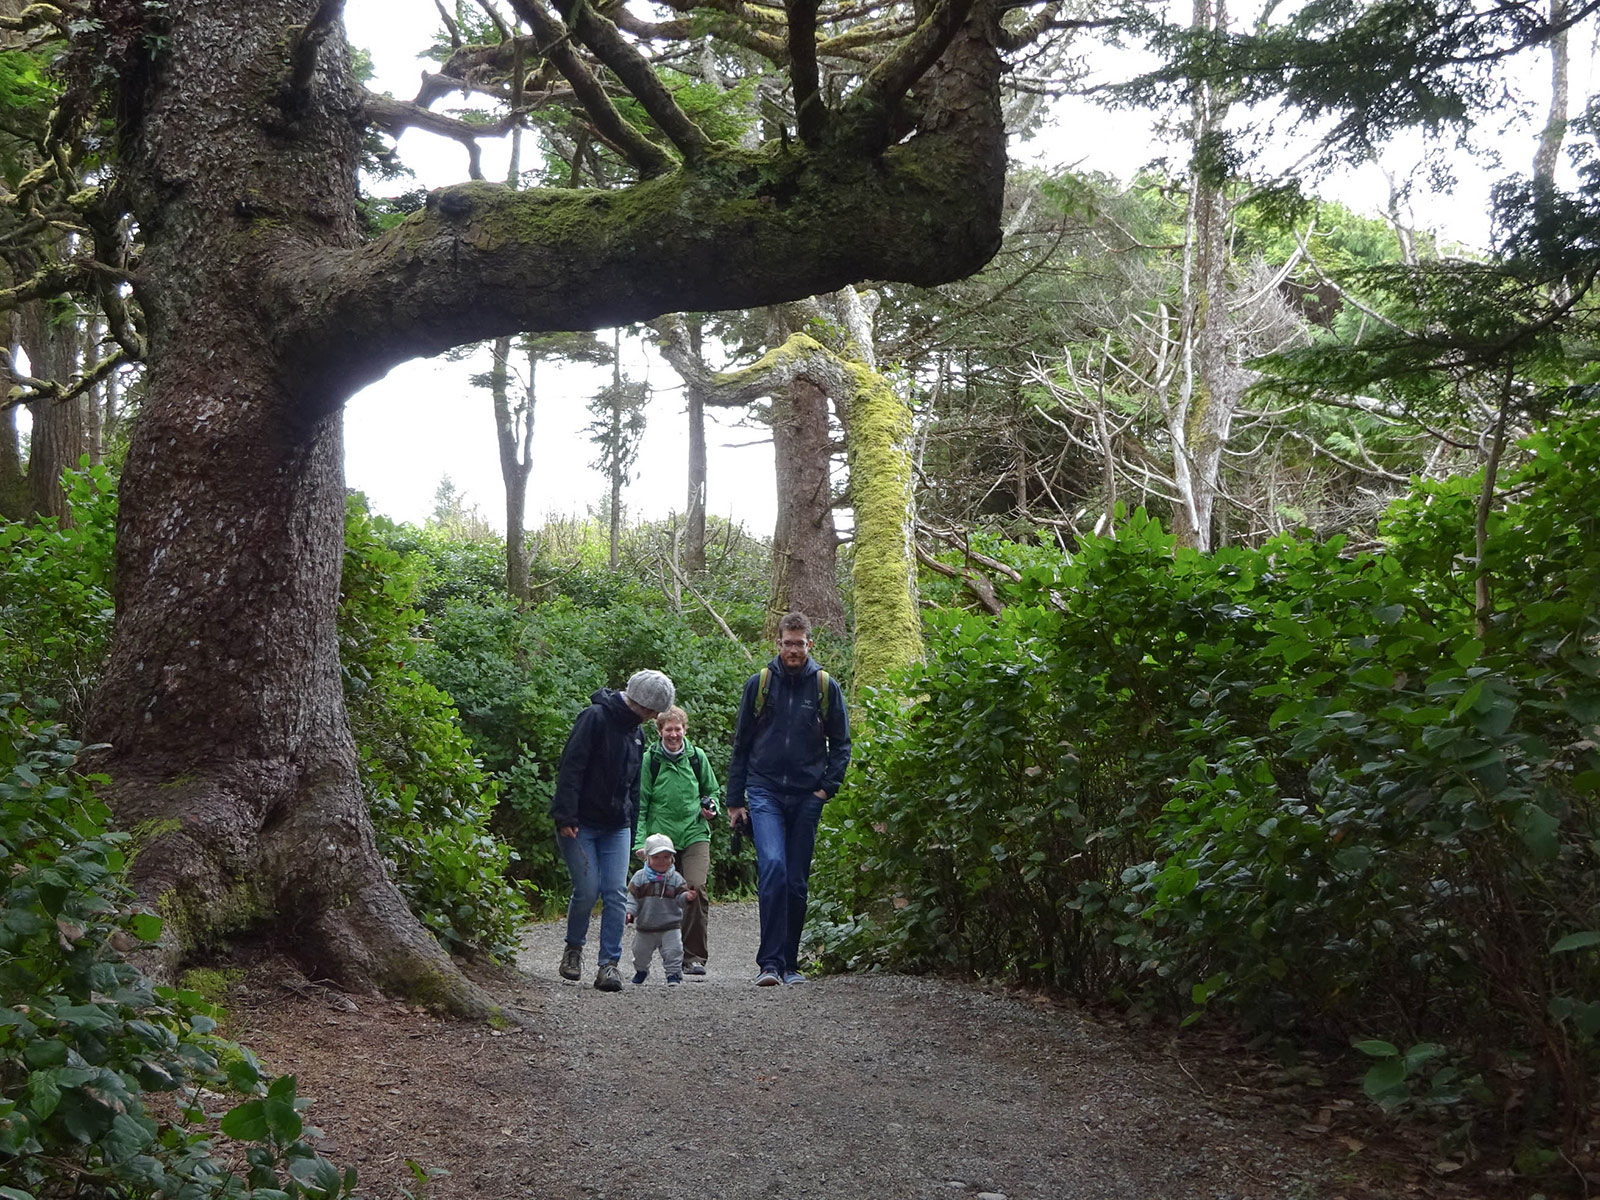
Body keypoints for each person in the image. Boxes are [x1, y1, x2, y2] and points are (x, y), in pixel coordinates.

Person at [725, 612, 851, 986]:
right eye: (787, 642)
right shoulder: (760, 684)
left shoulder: (825, 687)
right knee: (774, 868)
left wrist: (826, 789)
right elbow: (741, 744)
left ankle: (790, 965)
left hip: (807, 795)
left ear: (810, 644)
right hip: (764, 791)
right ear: (777, 643)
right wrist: (735, 800)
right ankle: (769, 964)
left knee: (796, 881)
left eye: (800, 643)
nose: (794, 649)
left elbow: (842, 744)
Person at [551, 668, 675, 992]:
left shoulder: (637, 734)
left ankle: (609, 965)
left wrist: (633, 830)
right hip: (580, 823)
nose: (651, 718)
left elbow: (634, 787)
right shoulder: (594, 718)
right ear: (639, 703)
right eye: (651, 712)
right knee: (588, 889)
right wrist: (565, 816)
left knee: (616, 892)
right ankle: (574, 950)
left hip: (616, 826)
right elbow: (571, 766)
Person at [635, 706, 720, 974]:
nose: (673, 734)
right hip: (661, 838)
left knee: (694, 887)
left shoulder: (697, 757)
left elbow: (712, 790)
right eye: (668, 729)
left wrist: (711, 808)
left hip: (695, 832)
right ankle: (661, 955)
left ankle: (693, 957)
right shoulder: (651, 761)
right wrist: (640, 842)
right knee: (660, 894)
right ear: (659, 731)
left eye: (678, 728)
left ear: (685, 729)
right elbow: (640, 803)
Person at [625, 833, 699, 985]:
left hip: (670, 926)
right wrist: (629, 913)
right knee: (640, 953)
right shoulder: (639, 878)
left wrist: (687, 897)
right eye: (656, 857)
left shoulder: (676, 878)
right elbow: (632, 898)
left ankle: (673, 974)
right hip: (645, 926)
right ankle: (641, 970)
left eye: (666, 857)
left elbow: (680, 899)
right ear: (647, 858)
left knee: (674, 951)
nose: (661, 861)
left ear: (672, 859)